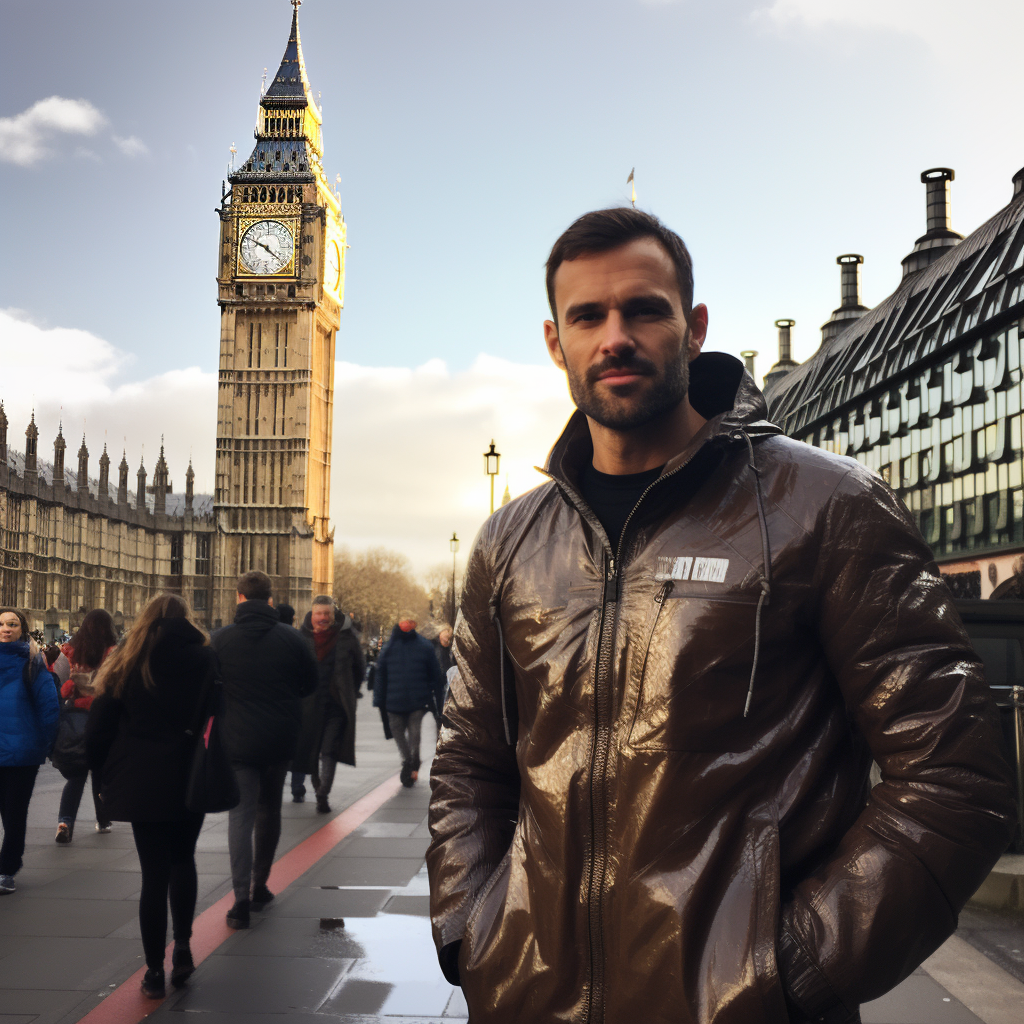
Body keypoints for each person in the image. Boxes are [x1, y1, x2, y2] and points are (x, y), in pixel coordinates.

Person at [426, 208, 1017, 1024]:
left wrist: (785, 971)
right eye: (587, 316)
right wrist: (472, 929)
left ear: (695, 327)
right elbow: (469, 761)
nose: (616, 337)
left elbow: (957, 779)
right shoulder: (510, 541)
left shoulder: (825, 505)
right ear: (556, 343)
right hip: (530, 997)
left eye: (645, 309)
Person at [85, 594, 214, 998]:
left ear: (146, 619)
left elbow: (99, 726)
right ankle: (185, 951)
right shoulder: (207, 657)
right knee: (183, 861)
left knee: (153, 875)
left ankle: (154, 970)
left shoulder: (131, 657)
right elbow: (220, 711)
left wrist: (103, 772)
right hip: (191, 774)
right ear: (187, 619)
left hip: (142, 778)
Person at [211, 571, 318, 930]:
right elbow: (310, 685)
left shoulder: (220, 640)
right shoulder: (292, 639)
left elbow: (210, 687)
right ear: (270, 599)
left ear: (239, 597)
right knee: (269, 809)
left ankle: (240, 899)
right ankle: (260, 885)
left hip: (237, 739)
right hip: (279, 738)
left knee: (240, 815)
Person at [0, 609, 59, 894]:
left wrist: (46, 744)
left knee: (14, 814)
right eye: (0, 624)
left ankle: (7, 869)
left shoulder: (33, 663)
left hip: (21, 754)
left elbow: (49, 707)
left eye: (12, 624)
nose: (6, 629)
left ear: (22, 629)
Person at [293, 597, 363, 813]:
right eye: (319, 614)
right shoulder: (299, 639)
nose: (323, 618)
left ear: (333, 616)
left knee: (328, 751)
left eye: (327, 614)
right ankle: (317, 786)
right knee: (310, 751)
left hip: (336, 705)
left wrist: (349, 691)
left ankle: (323, 794)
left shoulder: (347, 638)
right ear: (311, 615)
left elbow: (359, 670)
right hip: (308, 705)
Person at [54, 609, 117, 843]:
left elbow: (57, 683)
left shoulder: (69, 652)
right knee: (100, 772)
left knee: (77, 775)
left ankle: (65, 821)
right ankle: (103, 819)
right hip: (102, 718)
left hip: (75, 718)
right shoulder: (113, 653)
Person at [373, 612, 444, 787]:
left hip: (411, 702)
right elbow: (380, 674)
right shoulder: (416, 646)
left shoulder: (393, 646)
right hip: (405, 701)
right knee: (405, 735)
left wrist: (380, 699)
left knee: (412, 736)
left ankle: (411, 760)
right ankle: (410, 760)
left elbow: (435, 675)